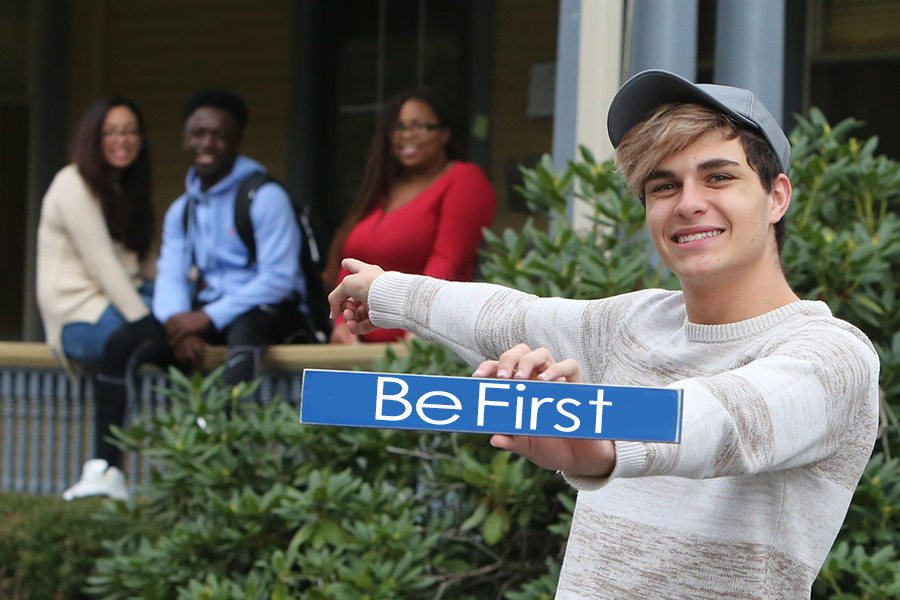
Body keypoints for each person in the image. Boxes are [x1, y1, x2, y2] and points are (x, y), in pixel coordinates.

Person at [328, 70, 880, 598]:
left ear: (777, 196)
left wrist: (601, 442)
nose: (689, 202)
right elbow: (508, 315)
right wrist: (384, 290)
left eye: (718, 177)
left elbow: (728, 418)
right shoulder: (633, 323)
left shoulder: (834, 354)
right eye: (664, 186)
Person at [81, 89, 309, 489]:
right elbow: (170, 274)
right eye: (198, 133)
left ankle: (225, 472)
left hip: (268, 310)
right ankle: (105, 471)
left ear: (236, 141)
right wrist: (177, 324)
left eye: (219, 135)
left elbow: (279, 278)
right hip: (205, 314)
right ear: (185, 139)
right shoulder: (182, 208)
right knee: (123, 342)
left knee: (246, 334)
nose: (207, 143)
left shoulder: (264, 196)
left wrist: (204, 318)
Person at [37, 97, 155, 500]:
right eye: (111, 132)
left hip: (121, 299)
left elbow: (143, 262)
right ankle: (104, 468)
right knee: (140, 340)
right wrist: (146, 322)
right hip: (78, 314)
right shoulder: (71, 184)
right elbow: (102, 263)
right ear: (93, 138)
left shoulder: (125, 186)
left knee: (184, 326)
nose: (122, 140)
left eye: (130, 131)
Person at [325, 88, 496, 344]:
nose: (406, 135)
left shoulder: (463, 179)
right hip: (359, 346)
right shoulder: (383, 189)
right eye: (398, 127)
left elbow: (447, 260)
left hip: (420, 344)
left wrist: (418, 326)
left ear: (444, 133)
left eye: (418, 126)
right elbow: (352, 264)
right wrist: (343, 323)